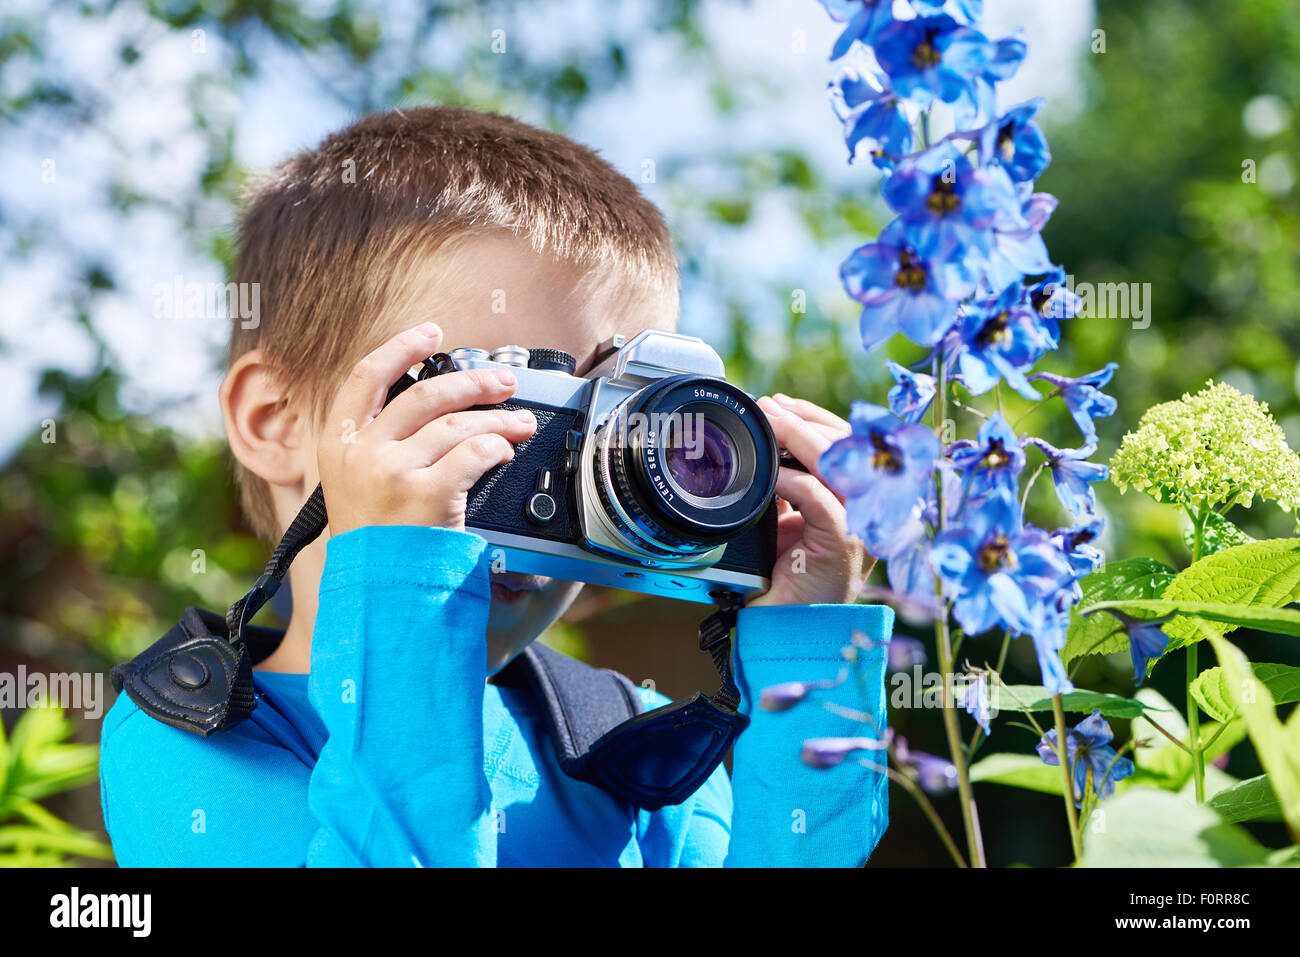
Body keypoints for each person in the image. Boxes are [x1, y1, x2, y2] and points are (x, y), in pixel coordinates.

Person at [99, 106, 894, 867]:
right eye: (486, 404)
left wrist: (807, 654)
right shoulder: (194, 730)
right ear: (276, 422)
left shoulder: (634, 751)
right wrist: (406, 579)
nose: (551, 471)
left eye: (599, 432)